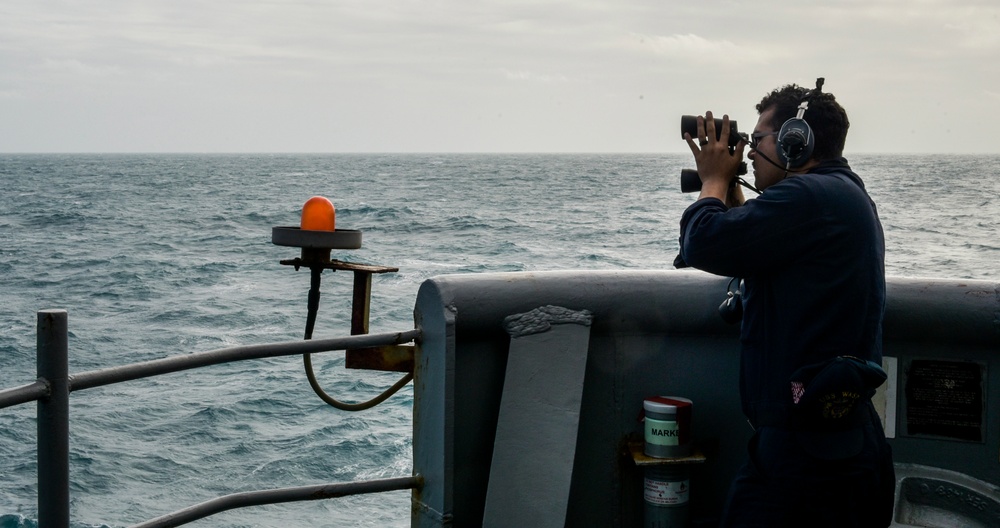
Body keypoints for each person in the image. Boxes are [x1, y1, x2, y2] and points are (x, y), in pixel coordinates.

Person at [675, 83, 895, 527]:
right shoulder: (835, 195)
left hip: (808, 463)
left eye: (758, 140)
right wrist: (733, 190)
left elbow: (703, 243)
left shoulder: (810, 198)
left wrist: (715, 180)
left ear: (797, 141)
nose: (750, 152)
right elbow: (749, 246)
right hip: (828, 446)